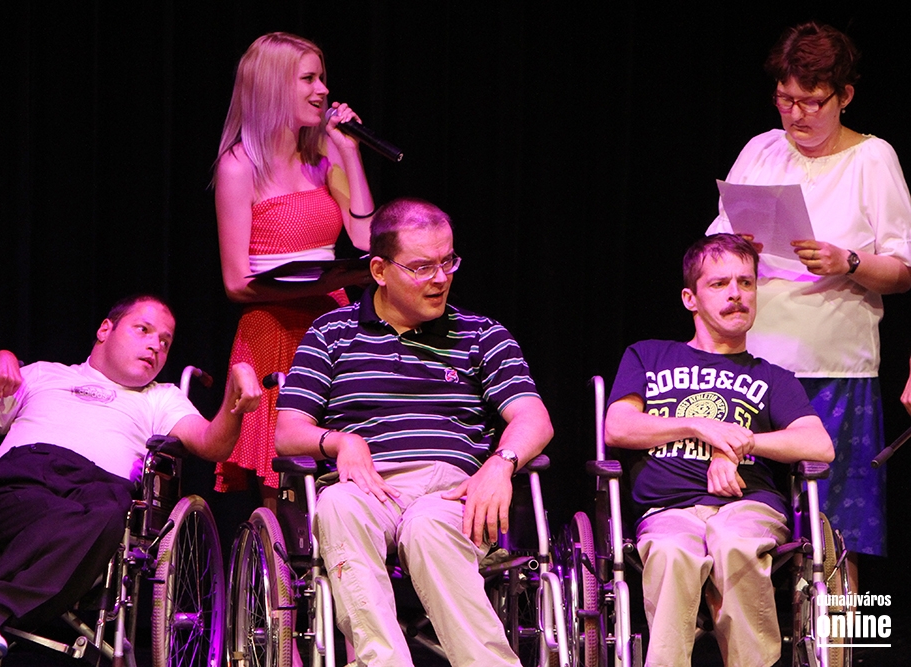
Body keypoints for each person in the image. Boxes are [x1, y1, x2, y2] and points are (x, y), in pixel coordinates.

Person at [274, 198, 554, 667]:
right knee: (338, 505)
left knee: (426, 528)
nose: (440, 278)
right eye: (423, 267)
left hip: (450, 491)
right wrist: (341, 440)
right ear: (379, 270)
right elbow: (288, 431)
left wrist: (500, 465)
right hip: (366, 484)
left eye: (448, 261)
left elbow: (534, 418)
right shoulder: (331, 333)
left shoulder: (481, 335)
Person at [0, 295, 262, 658]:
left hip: (97, 493)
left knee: (108, 516)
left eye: (165, 341)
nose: (155, 345)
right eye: (143, 330)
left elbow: (212, 444)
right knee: (86, 523)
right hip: (21, 480)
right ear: (105, 329)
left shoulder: (161, 397)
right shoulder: (42, 374)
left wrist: (233, 399)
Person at [707, 22, 911, 574]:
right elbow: (713, 245)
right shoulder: (761, 150)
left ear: (844, 95)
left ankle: (840, 628)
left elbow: (902, 270)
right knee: (744, 516)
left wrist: (849, 262)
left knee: (836, 524)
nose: (796, 114)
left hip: (834, 370)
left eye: (811, 102)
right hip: (754, 370)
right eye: (785, 99)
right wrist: (738, 248)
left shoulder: (873, 159)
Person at [604, 234, 834, 667]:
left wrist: (741, 441)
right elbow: (618, 427)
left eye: (746, 283)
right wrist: (699, 425)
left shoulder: (773, 377)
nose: (736, 294)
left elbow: (818, 444)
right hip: (668, 507)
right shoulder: (649, 356)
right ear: (690, 299)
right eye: (719, 284)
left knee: (734, 544)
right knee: (672, 554)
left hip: (748, 506)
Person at [213, 32, 376, 502]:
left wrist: (349, 151)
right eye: (308, 79)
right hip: (274, 328)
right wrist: (313, 286)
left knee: (345, 465)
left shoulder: (324, 157)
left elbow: (365, 239)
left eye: (322, 77)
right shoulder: (239, 166)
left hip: (332, 322)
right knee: (283, 485)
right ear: (272, 86)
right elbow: (236, 283)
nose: (323, 89)